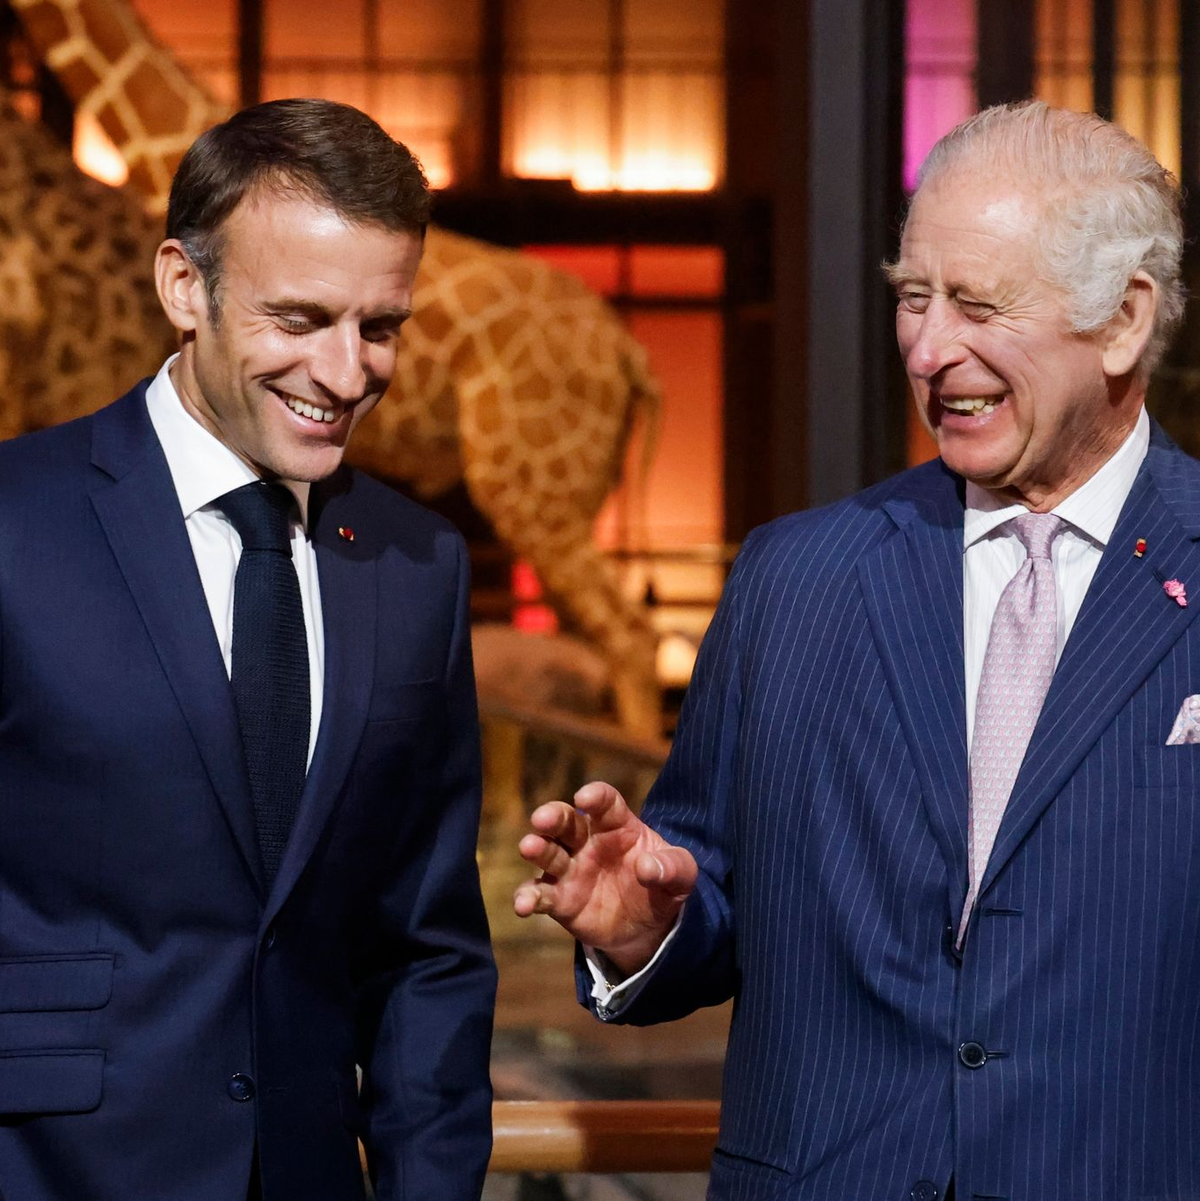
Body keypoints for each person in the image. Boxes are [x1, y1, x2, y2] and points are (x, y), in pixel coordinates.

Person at [516, 100, 1195, 1200]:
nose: (929, 349)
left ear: (1121, 321)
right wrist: (649, 928)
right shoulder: (797, 579)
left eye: (978, 303)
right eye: (913, 298)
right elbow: (713, 889)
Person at [0, 98, 495, 1200]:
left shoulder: (419, 565)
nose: (348, 370)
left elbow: (428, 948)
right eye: (301, 318)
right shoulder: (14, 522)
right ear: (185, 287)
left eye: (380, 325)